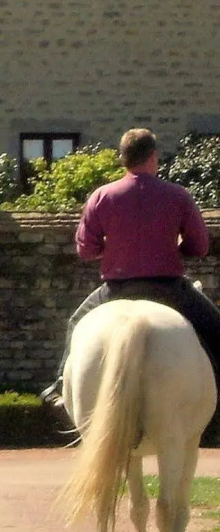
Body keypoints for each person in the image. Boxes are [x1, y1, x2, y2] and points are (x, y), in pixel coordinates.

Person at [41, 127, 220, 407]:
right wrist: (176, 248)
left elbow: (85, 250)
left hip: (117, 289)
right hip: (169, 288)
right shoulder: (178, 195)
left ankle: (61, 385)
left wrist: (111, 249)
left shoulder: (101, 196)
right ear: (152, 157)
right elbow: (200, 247)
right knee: (215, 326)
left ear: (123, 158)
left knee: (76, 322)